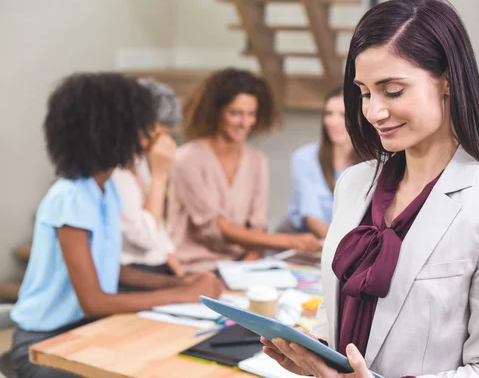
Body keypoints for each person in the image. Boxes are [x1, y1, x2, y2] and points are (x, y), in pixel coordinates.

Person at [262, 0, 479, 378]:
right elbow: (336, 309)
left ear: (447, 81)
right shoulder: (353, 184)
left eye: (392, 91)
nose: (373, 111)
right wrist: (317, 357)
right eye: (364, 92)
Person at [10, 73, 222, 378]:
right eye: (142, 127)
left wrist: (180, 282)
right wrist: (185, 296)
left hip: (85, 330)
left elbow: (112, 269)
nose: (152, 138)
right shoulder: (71, 198)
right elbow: (94, 302)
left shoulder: (106, 188)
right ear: (111, 133)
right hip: (46, 343)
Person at [168, 68, 322, 273]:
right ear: (216, 112)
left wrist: (248, 265)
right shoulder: (186, 160)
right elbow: (216, 228)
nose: (245, 123)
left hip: (240, 266)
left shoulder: (257, 160)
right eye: (235, 113)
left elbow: (258, 227)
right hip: (193, 268)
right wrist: (290, 241)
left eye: (251, 114)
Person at [112, 78, 186, 281]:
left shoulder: (138, 161)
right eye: (158, 133)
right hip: (131, 271)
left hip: (155, 265)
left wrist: (181, 274)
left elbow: (157, 227)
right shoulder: (113, 173)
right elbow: (143, 238)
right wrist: (160, 175)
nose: (163, 142)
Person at [285, 87, 358, 239]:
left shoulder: (376, 162)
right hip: (307, 237)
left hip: (354, 245)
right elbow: (312, 218)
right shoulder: (304, 157)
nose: (333, 122)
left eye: (343, 115)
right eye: (328, 114)